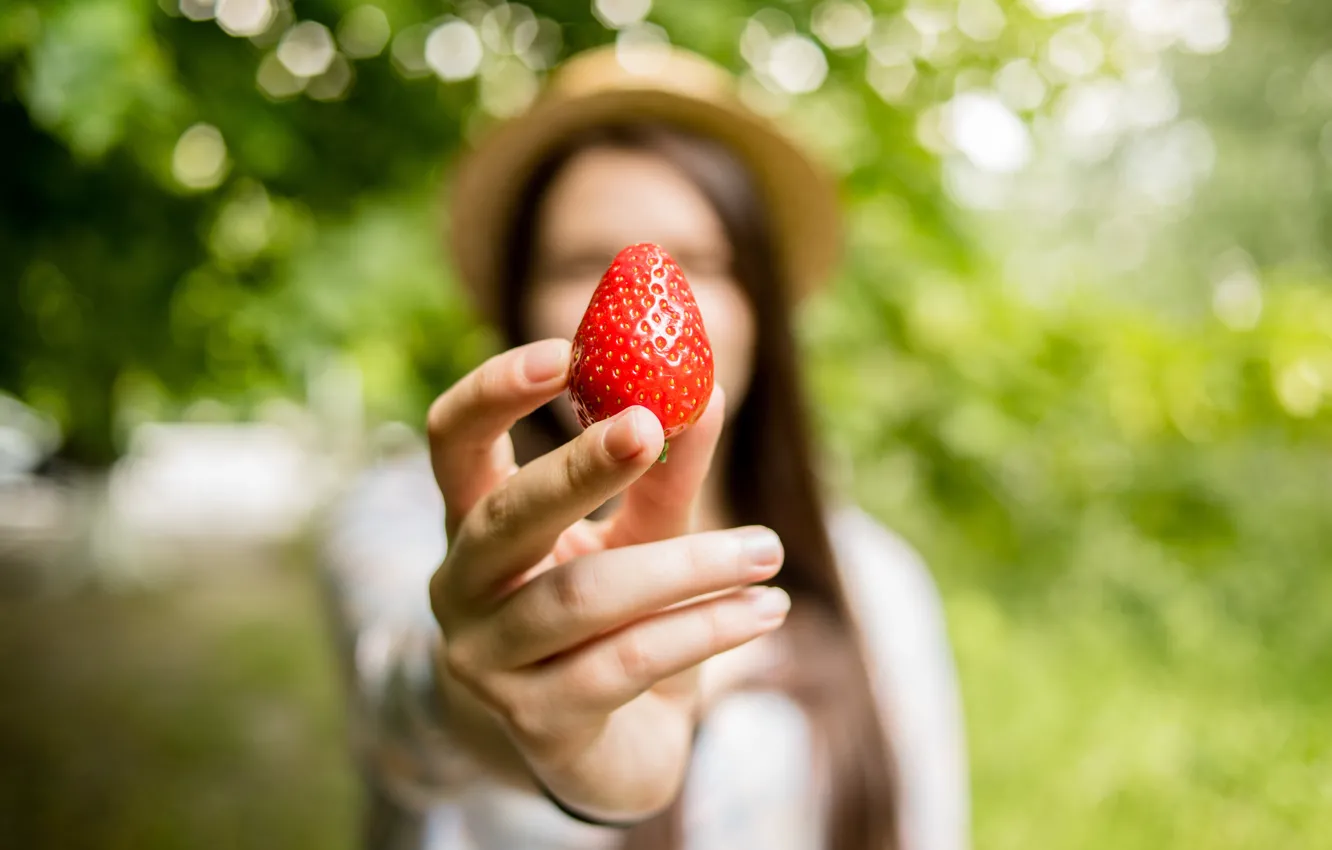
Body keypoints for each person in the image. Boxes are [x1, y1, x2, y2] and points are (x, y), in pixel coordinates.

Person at [321, 44, 968, 850]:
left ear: (760, 306)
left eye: (701, 260)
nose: (642, 296)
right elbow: (399, 721)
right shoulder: (406, 518)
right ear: (520, 304)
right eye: (583, 263)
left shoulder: (875, 582)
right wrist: (497, 697)